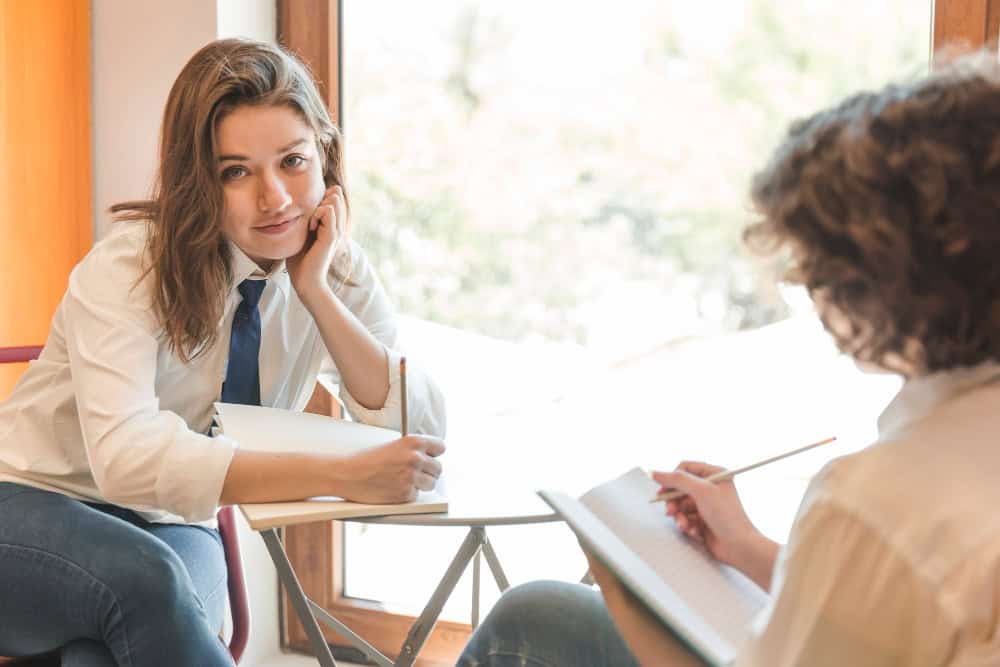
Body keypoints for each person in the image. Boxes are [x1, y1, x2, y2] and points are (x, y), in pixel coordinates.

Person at [458, 54, 1000, 666]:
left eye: (817, 261)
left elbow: (887, 572)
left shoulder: (875, 502)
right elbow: (892, 609)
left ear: (888, 279)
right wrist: (743, 545)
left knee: (529, 622)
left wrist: (626, 589)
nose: (800, 281)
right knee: (538, 612)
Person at [0, 38, 446, 666]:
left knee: (105, 651)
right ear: (198, 181)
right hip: (29, 499)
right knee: (148, 582)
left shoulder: (335, 268)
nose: (275, 197)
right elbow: (128, 458)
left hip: (172, 525)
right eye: (236, 171)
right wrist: (339, 473)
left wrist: (317, 293)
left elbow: (416, 434)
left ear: (324, 154)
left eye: (292, 161)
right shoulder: (128, 267)